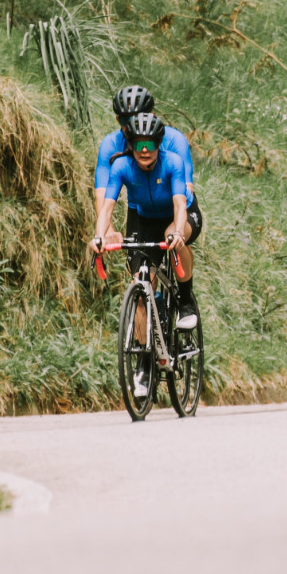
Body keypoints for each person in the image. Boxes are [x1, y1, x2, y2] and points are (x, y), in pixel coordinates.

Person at [91, 112, 198, 397]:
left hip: (177, 215)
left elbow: (179, 204)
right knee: (141, 287)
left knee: (175, 239)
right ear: (131, 146)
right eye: (139, 145)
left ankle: (185, 299)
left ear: (159, 144)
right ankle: (144, 363)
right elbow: (108, 206)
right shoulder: (121, 166)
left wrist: (177, 230)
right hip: (143, 219)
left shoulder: (172, 163)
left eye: (150, 144)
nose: (145, 150)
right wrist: (100, 236)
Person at [93, 85, 201, 246]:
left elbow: (186, 188)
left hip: (172, 204)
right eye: (125, 120)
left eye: (138, 117)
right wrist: (106, 232)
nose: (133, 124)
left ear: (152, 116)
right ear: (117, 120)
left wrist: (178, 229)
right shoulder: (111, 144)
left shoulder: (174, 140)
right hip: (141, 207)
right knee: (136, 266)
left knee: (175, 242)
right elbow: (102, 195)